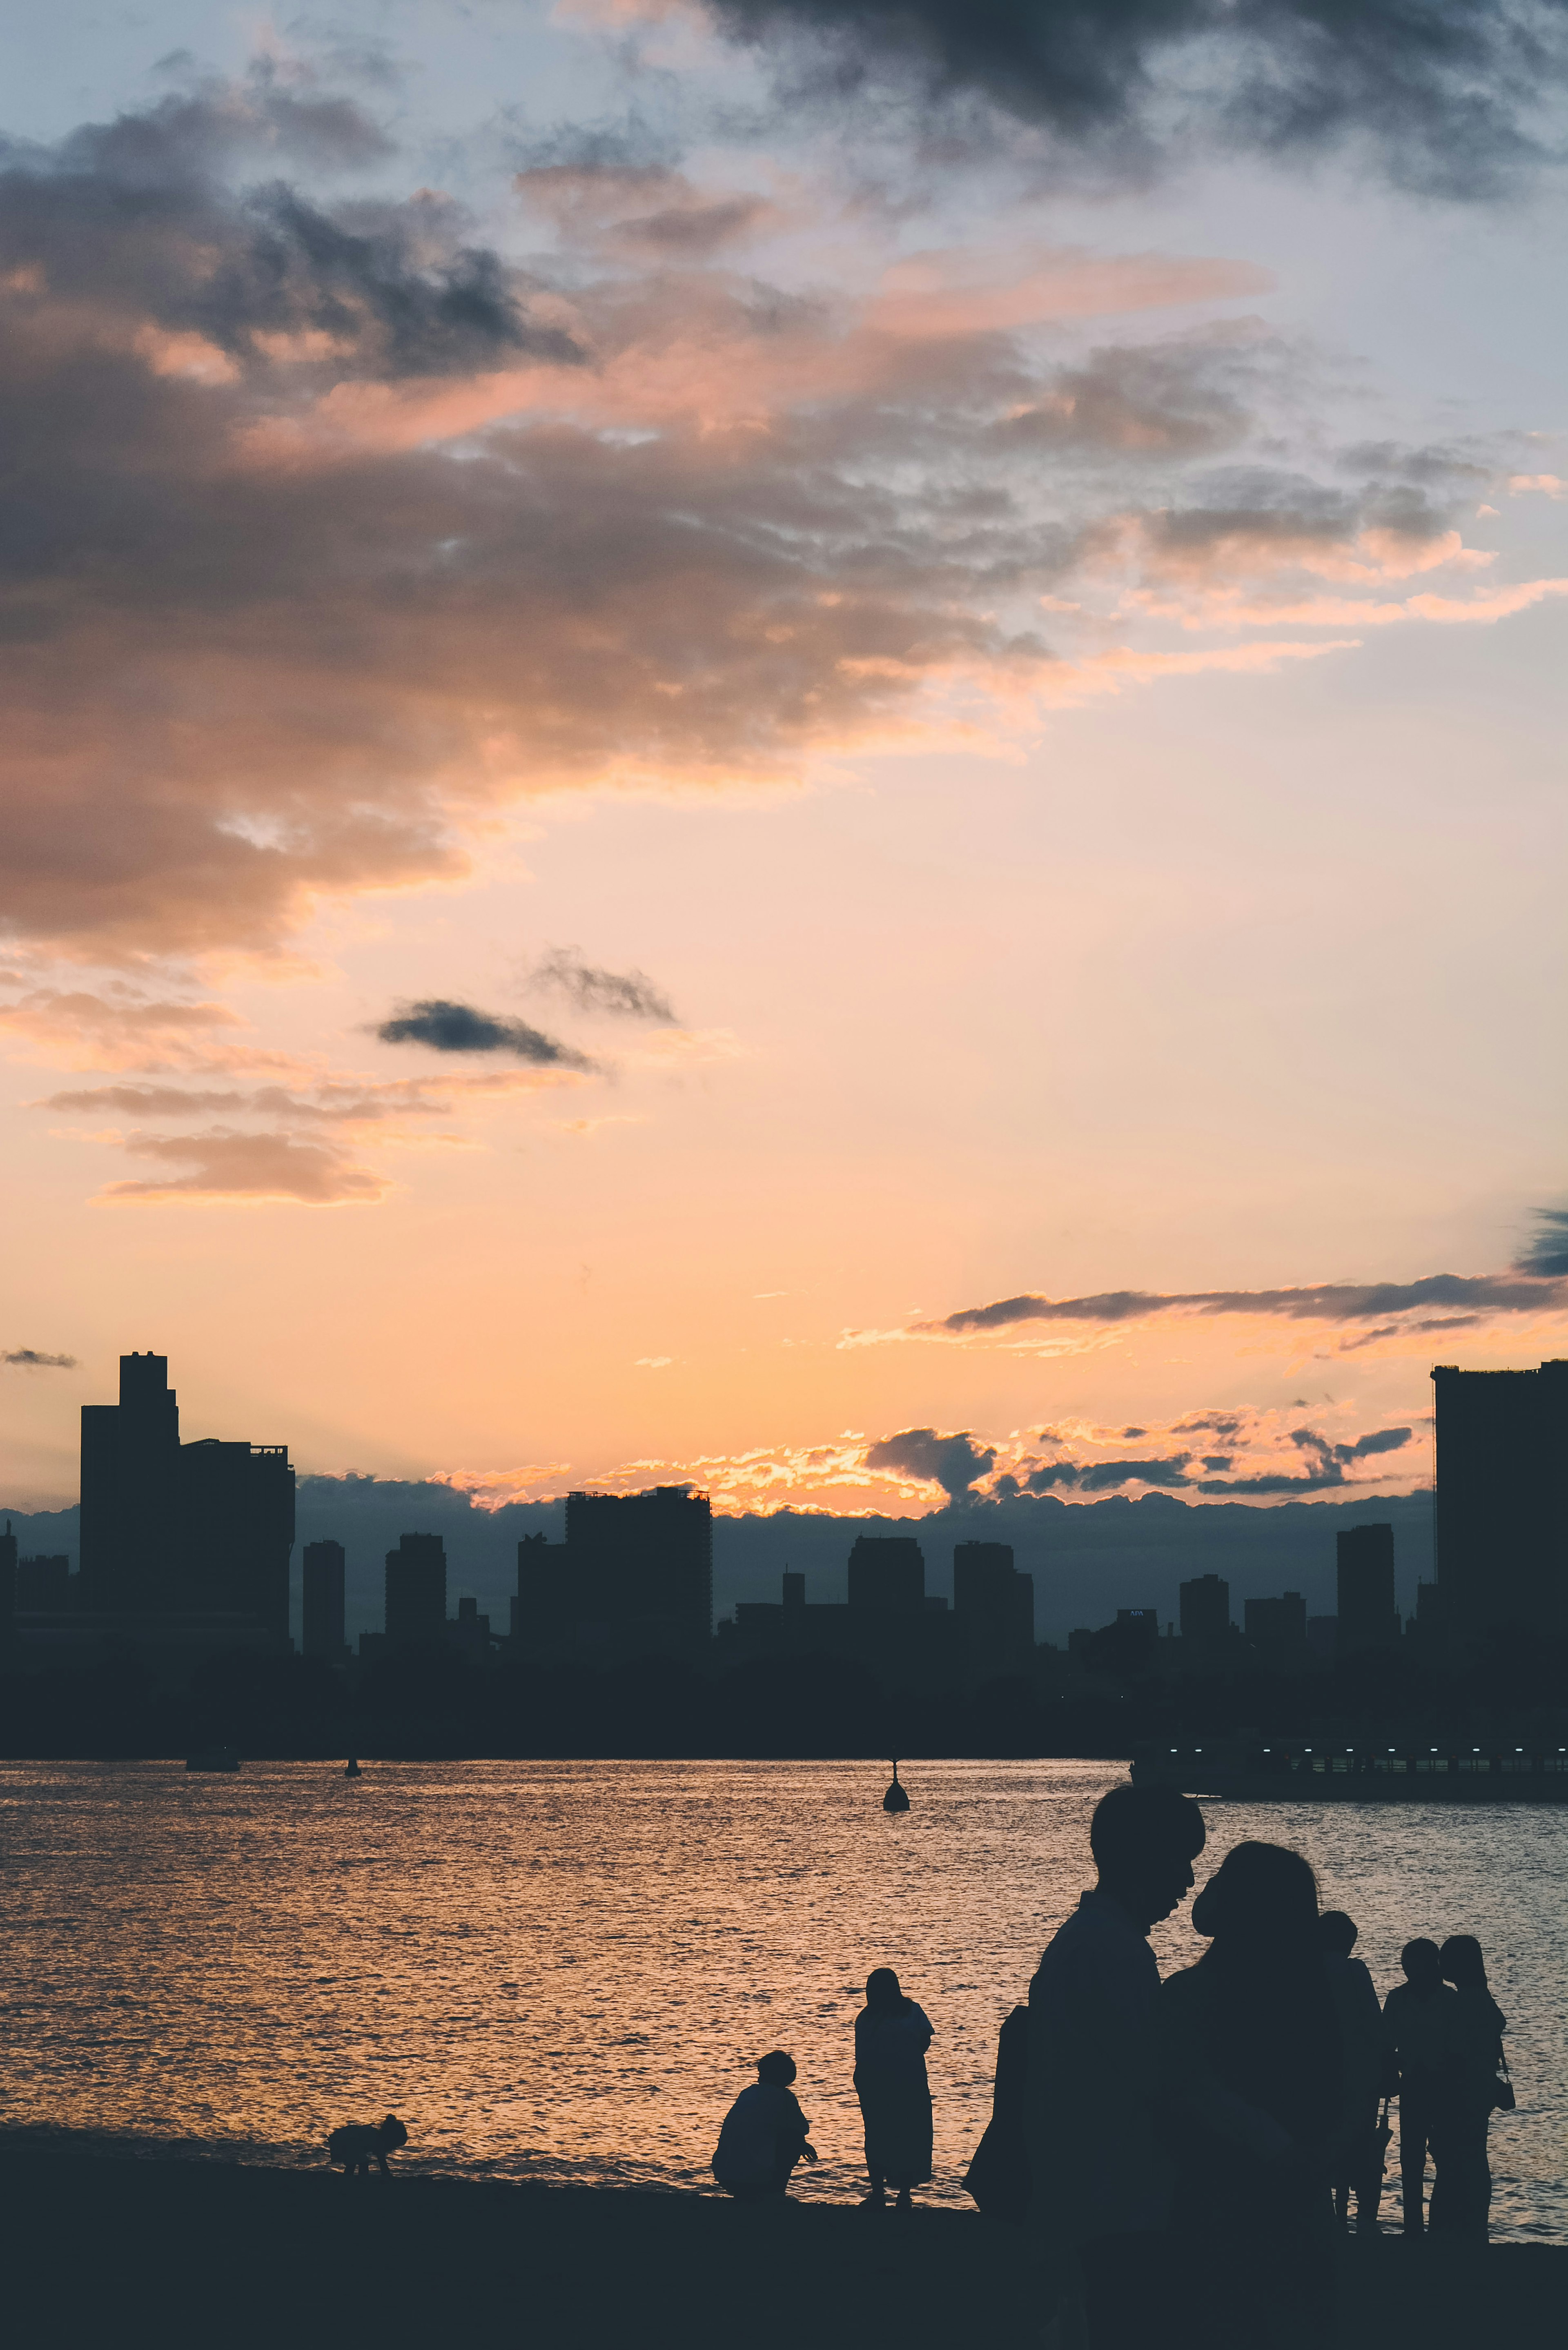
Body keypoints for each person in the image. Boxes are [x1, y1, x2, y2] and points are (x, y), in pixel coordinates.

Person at [1154, 1842, 1375, 2350]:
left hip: (1213, 2201)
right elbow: (1363, 2082)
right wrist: (1319, 2158)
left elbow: (1187, 2093)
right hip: (1307, 2194)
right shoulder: (1337, 1985)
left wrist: (1276, 2149)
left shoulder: (1189, 1993)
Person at [1025, 1780, 1205, 2350]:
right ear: (1141, 1859)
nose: (1188, 1880)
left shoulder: (1090, 1940)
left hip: (1092, 2197)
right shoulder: (1114, 1950)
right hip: (1117, 2204)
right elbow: (1152, 2078)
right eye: (1180, 1860)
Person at [1381, 1938, 1459, 2236]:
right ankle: (1414, 2226)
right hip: (1414, 2083)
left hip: (1440, 2085)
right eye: (1407, 1961)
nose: (1408, 1967)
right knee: (1413, 2157)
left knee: (1442, 2155)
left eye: (1413, 1961)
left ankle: (1439, 2224)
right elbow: (1387, 2045)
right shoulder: (1400, 1998)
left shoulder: (1447, 1999)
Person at [1432, 1935, 1508, 2241]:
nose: (1441, 1965)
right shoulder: (1480, 1997)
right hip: (1478, 2091)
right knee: (1472, 2158)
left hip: (1461, 2092)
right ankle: (1474, 2225)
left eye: (1445, 1959)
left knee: (1456, 2159)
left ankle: (1456, 2226)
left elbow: (1456, 2055)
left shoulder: (1464, 2002)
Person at [1317, 1911, 1386, 2231]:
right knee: (1360, 2144)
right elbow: (1374, 2022)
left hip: (1320, 2074)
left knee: (1322, 2142)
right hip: (1359, 2073)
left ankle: (1329, 2216)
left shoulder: (1305, 1970)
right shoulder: (1354, 1970)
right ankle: (1363, 2219)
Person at [853, 1967, 934, 2211]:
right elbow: (925, 2042)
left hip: (876, 2085)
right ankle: (904, 2196)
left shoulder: (866, 2017)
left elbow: (863, 2055)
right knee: (910, 2136)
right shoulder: (912, 2011)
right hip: (910, 2083)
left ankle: (878, 2193)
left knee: (878, 2137)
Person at [712, 2051, 817, 2202]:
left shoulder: (747, 2093)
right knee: (794, 2140)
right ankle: (775, 2193)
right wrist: (801, 2145)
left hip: (726, 2174)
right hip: (757, 2179)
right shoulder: (785, 2098)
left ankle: (748, 2194)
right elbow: (800, 2129)